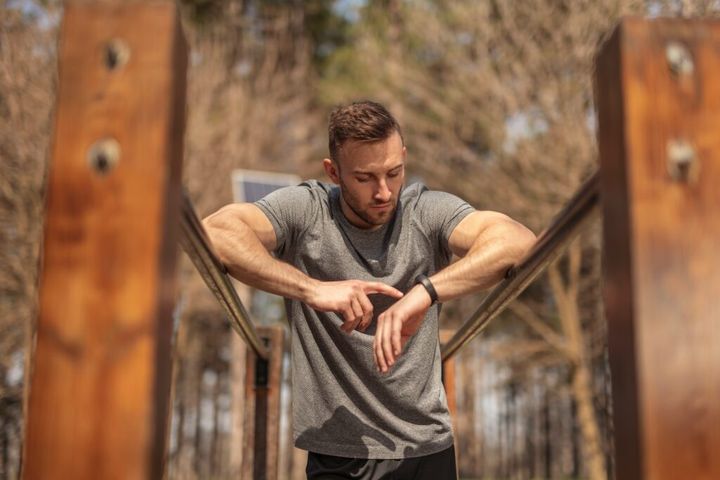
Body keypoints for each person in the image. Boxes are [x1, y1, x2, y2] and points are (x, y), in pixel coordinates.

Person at [203, 100, 536, 479]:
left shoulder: (425, 210)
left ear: (404, 158)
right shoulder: (307, 210)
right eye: (365, 178)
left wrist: (425, 292)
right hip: (337, 453)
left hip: (425, 447)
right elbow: (215, 233)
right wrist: (311, 289)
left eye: (394, 172)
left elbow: (518, 241)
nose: (384, 192)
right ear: (334, 172)